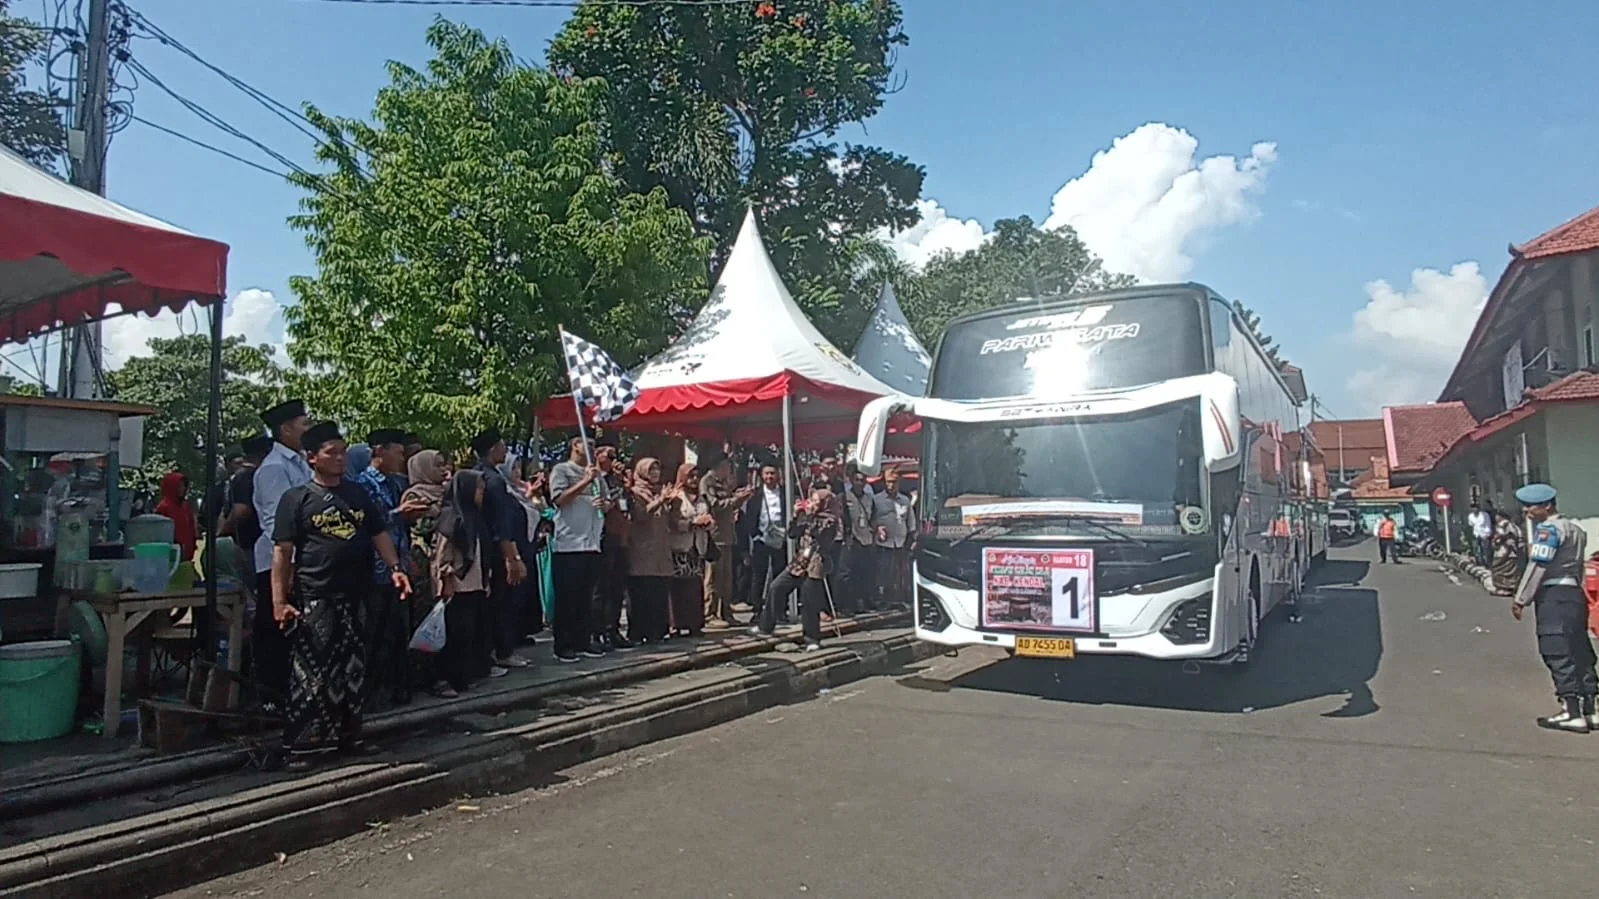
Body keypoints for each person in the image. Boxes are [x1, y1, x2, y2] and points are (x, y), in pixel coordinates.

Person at [270, 422, 410, 771]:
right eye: (331, 452)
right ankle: (301, 745)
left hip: (356, 593)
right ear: (312, 458)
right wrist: (278, 600)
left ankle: (349, 738)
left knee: (352, 669)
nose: (339, 458)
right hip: (316, 595)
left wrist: (396, 568)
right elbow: (282, 552)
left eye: (343, 451)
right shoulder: (297, 499)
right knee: (310, 672)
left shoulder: (358, 494)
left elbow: (379, 535)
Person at [1508, 483, 1596, 733]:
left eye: (1531, 506)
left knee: (1556, 650)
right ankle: (1591, 707)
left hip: (1553, 595)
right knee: (1580, 649)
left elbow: (1538, 566)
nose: (1527, 511)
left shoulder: (1548, 531)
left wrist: (1521, 598)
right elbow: (1578, 566)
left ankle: (1571, 710)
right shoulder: (1577, 530)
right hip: (1573, 595)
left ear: (1547, 506)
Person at [355, 429, 430, 706]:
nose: (401, 458)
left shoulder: (396, 483)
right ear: (379, 451)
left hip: (399, 566)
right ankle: (373, 693)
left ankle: (398, 688)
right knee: (375, 633)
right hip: (375, 569)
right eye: (397, 452)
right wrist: (399, 514)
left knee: (398, 630)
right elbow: (367, 524)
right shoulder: (363, 484)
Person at [251, 399, 312, 710]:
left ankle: (296, 692)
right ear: (285, 429)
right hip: (279, 562)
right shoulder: (275, 469)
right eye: (304, 424)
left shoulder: (300, 462)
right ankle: (273, 698)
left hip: (301, 559)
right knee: (275, 630)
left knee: (297, 631)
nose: (308, 429)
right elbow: (278, 524)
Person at [751, 483, 839, 650]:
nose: (811, 503)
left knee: (809, 601)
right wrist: (795, 515)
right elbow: (792, 533)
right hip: (799, 562)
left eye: (815, 501)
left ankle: (812, 638)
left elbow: (818, 534)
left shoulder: (830, 519)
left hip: (816, 564)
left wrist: (808, 514)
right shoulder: (809, 516)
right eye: (811, 500)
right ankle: (766, 625)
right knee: (776, 587)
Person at [430, 468, 492, 698]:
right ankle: (443, 679)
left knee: (468, 633)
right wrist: (445, 581)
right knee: (452, 633)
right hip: (456, 584)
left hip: (474, 583)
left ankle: (463, 676)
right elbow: (442, 554)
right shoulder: (451, 516)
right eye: (478, 489)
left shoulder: (474, 515)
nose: (481, 494)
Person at [472, 429, 530, 674]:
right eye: (502, 446)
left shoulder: (483, 475)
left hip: (483, 549)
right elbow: (501, 524)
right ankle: (500, 652)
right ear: (493, 449)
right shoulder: (492, 480)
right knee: (500, 602)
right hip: (495, 552)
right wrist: (512, 557)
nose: (505, 451)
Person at [547, 437, 609, 663]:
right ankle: (563, 644)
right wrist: (584, 481)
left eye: (594, 445)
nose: (591, 449)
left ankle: (583, 640)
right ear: (575, 445)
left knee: (586, 596)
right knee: (568, 597)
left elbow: (607, 501)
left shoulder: (597, 474)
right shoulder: (562, 470)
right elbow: (559, 499)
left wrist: (605, 504)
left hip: (592, 543)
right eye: (587, 444)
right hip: (569, 544)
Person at [627, 457, 678, 645]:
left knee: (659, 591)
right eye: (651, 470)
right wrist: (660, 501)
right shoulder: (635, 492)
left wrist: (671, 502)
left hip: (660, 550)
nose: (656, 473)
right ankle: (639, 632)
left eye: (657, 470)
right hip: (642, 549)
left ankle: (658, 630)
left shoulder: (660, 491)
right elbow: (640, 515)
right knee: (642, 593)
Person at [699, 455, 751, 628]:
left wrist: (739, 499)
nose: (728, 471)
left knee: (726, 578)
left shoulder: (725, 483)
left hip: (727, 534)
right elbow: (713, 505)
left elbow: (729, 505)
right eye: (726, 467)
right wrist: (735, 500)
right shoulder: (707, 482)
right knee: (713, 577)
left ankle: (725, 612)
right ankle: (710, 613)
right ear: (718, 466)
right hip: (715, 535)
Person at [591, 444, 635, 650]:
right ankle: (597, 631)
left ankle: (613, 629)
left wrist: (626, 484)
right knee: (602, 587)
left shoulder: (618, 480)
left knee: (617, 586)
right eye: (609, 455)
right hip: (603, 537)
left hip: (621, 537)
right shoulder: (596, 478)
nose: (614, 459)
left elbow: (629, 505)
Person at [667, 462, 715, 637]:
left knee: (695, 588)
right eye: (690, 476)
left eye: (696, 476)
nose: (694, 480)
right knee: (679, 588)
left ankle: (695, 624)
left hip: (697, 547)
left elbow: (708, 516)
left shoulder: (702, 498)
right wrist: (691, 523)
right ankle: (678, 625)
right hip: (680, 547)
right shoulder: (676, 497)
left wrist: (708, 523)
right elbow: (671, 523)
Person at [740, 464, 788, 618]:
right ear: (761, 475)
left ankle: (779, 609)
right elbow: (749, 517)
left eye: (773, 473)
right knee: (758, 575)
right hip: (761, 539)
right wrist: (754, 535)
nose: (770, 477)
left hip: (781, 538)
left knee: (780, 575)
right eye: (767, 474)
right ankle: (757, 610)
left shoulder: (786, 494)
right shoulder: (756, 496)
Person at [871, 467, 917, 607]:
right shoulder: (876, 499)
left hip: (900, 543)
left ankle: (896, 600)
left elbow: (911, 522)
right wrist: (876, 529)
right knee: (882, 572)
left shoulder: (905, 500)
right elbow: (869, 520)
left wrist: (913, 540)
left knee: (898, 573)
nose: (891, 485)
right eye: (888, 482)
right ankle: (881, 599)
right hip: (882, 544)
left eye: (894, 482)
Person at [840, 465, 878, 614]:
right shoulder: (845, 497)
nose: (859, 483)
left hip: (866, 539)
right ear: (851, 481)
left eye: (862, 480)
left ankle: (864, 601)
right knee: (848, 574)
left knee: (864, 573)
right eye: (856, 480)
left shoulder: (870, 499)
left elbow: (873, 518)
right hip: (851, 540)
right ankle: (848, 605)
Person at [154, 471, 199, 562]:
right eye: (179, 486)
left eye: (183, 486)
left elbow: (190, 527)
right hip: (172, 555)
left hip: (186, 554)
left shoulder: (185, 506)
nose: (182, 489)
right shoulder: (164, 507)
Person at [1489, 506, 1527, 597]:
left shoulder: (1505, 525)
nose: (1495, 518)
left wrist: (1498, 539)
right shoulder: (1511, 525)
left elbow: (1508, 537)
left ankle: (1506, 588)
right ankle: (1503, 588)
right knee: (1500, 569)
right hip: (1505, 552)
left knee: (1502, 569)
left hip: (1506, 552)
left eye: (1497, 516)